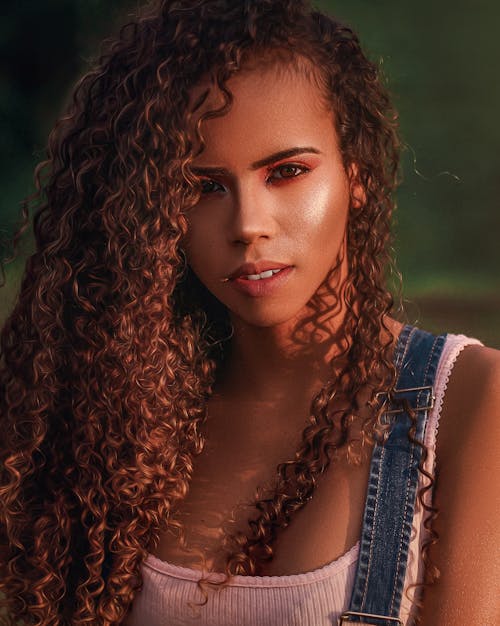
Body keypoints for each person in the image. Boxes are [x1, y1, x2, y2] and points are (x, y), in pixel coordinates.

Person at [0, 1, 499, 625]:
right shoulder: (129, 418)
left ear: (357, 174)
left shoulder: (469, 399)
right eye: (204, 186)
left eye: (286, 172)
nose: (247, 226)